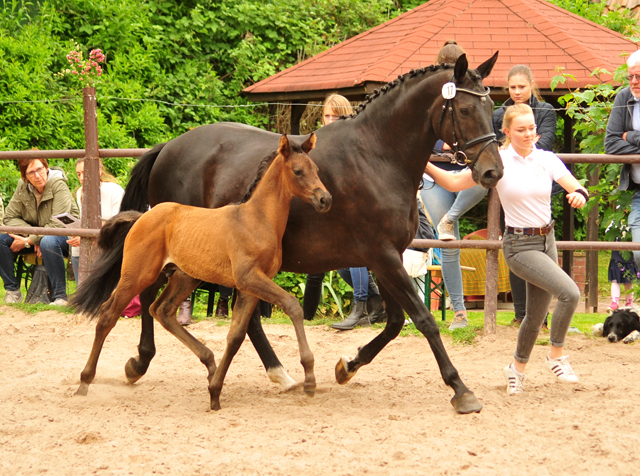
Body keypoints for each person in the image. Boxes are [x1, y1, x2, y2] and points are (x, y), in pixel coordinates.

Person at [425, 104, 587, 396]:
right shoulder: (497, 161)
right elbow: (452, 181)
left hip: (546, 241)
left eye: (532, 128)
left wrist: (578, 195)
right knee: (570, 293)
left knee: (535, 316)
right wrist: (423, 162)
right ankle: (556, 356)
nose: (529, 134)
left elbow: (576, 187)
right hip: (518, 246)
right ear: (507, 132)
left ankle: (516, 369)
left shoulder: (547, 160)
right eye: (522, 130)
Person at [302, 93, 386, 329]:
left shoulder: (355, 140)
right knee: (340, 265)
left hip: (359, 209)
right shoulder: (317, 141)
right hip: (335, 210)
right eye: (326, 116)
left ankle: (360, 306)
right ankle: (377, 302)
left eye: (335, 116)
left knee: (355, 252)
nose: (330, 120)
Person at [422, 40, 481, 330]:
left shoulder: (469, 92)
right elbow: (418, 132)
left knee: (487, 178)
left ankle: (451, 217)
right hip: (435, 176)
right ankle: (459, 312)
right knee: (449, 244)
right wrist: (440, 140)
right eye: (445, 66)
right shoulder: (432, 95)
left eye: (452, 66)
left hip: (464, 172)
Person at [492, 64, 558, 326]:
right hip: (509, 187)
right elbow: (491, 149)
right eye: (512, 87)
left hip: (538, 188)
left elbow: (544, 143)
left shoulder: (546, 111)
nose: (517, 91)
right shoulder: (499, 114)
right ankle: (521, 314)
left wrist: (514, 147)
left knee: (542, 255)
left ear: (532, 85)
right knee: (516, 248)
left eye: (522, 86)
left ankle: (539, 317)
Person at [1, 158, 80, 305]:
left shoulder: (58, 185)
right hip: (36, 236)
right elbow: (10, 217)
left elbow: (58, 224)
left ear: (46, 167)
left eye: (40, 169)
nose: (37, 176)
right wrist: (34, 236)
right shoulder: (22, 186)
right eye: (31, 172)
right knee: (1, 239)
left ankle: (60, 297)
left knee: (48, 240)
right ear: (25, 176)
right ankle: (13, 290)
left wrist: (31, 240)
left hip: (65, 236)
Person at [605, 49, 640, 273]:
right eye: (630, 77)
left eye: (639, 77)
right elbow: (611, 143)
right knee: (638, 252)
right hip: (639, 192)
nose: (634, 82)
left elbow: (621, 139)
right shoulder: (623, 97)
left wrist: (630, 136)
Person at [68, 158, 124, 283]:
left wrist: (87, 234)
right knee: (76, 245)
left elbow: (118, 222)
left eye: (85, 173)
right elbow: (85, 220)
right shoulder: (80, 193)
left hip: (113, 234)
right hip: (94, 232)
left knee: (85, 241)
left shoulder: (114, 191)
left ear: (98, 172)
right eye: (78, 174)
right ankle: (82, 286)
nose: (81, 178)